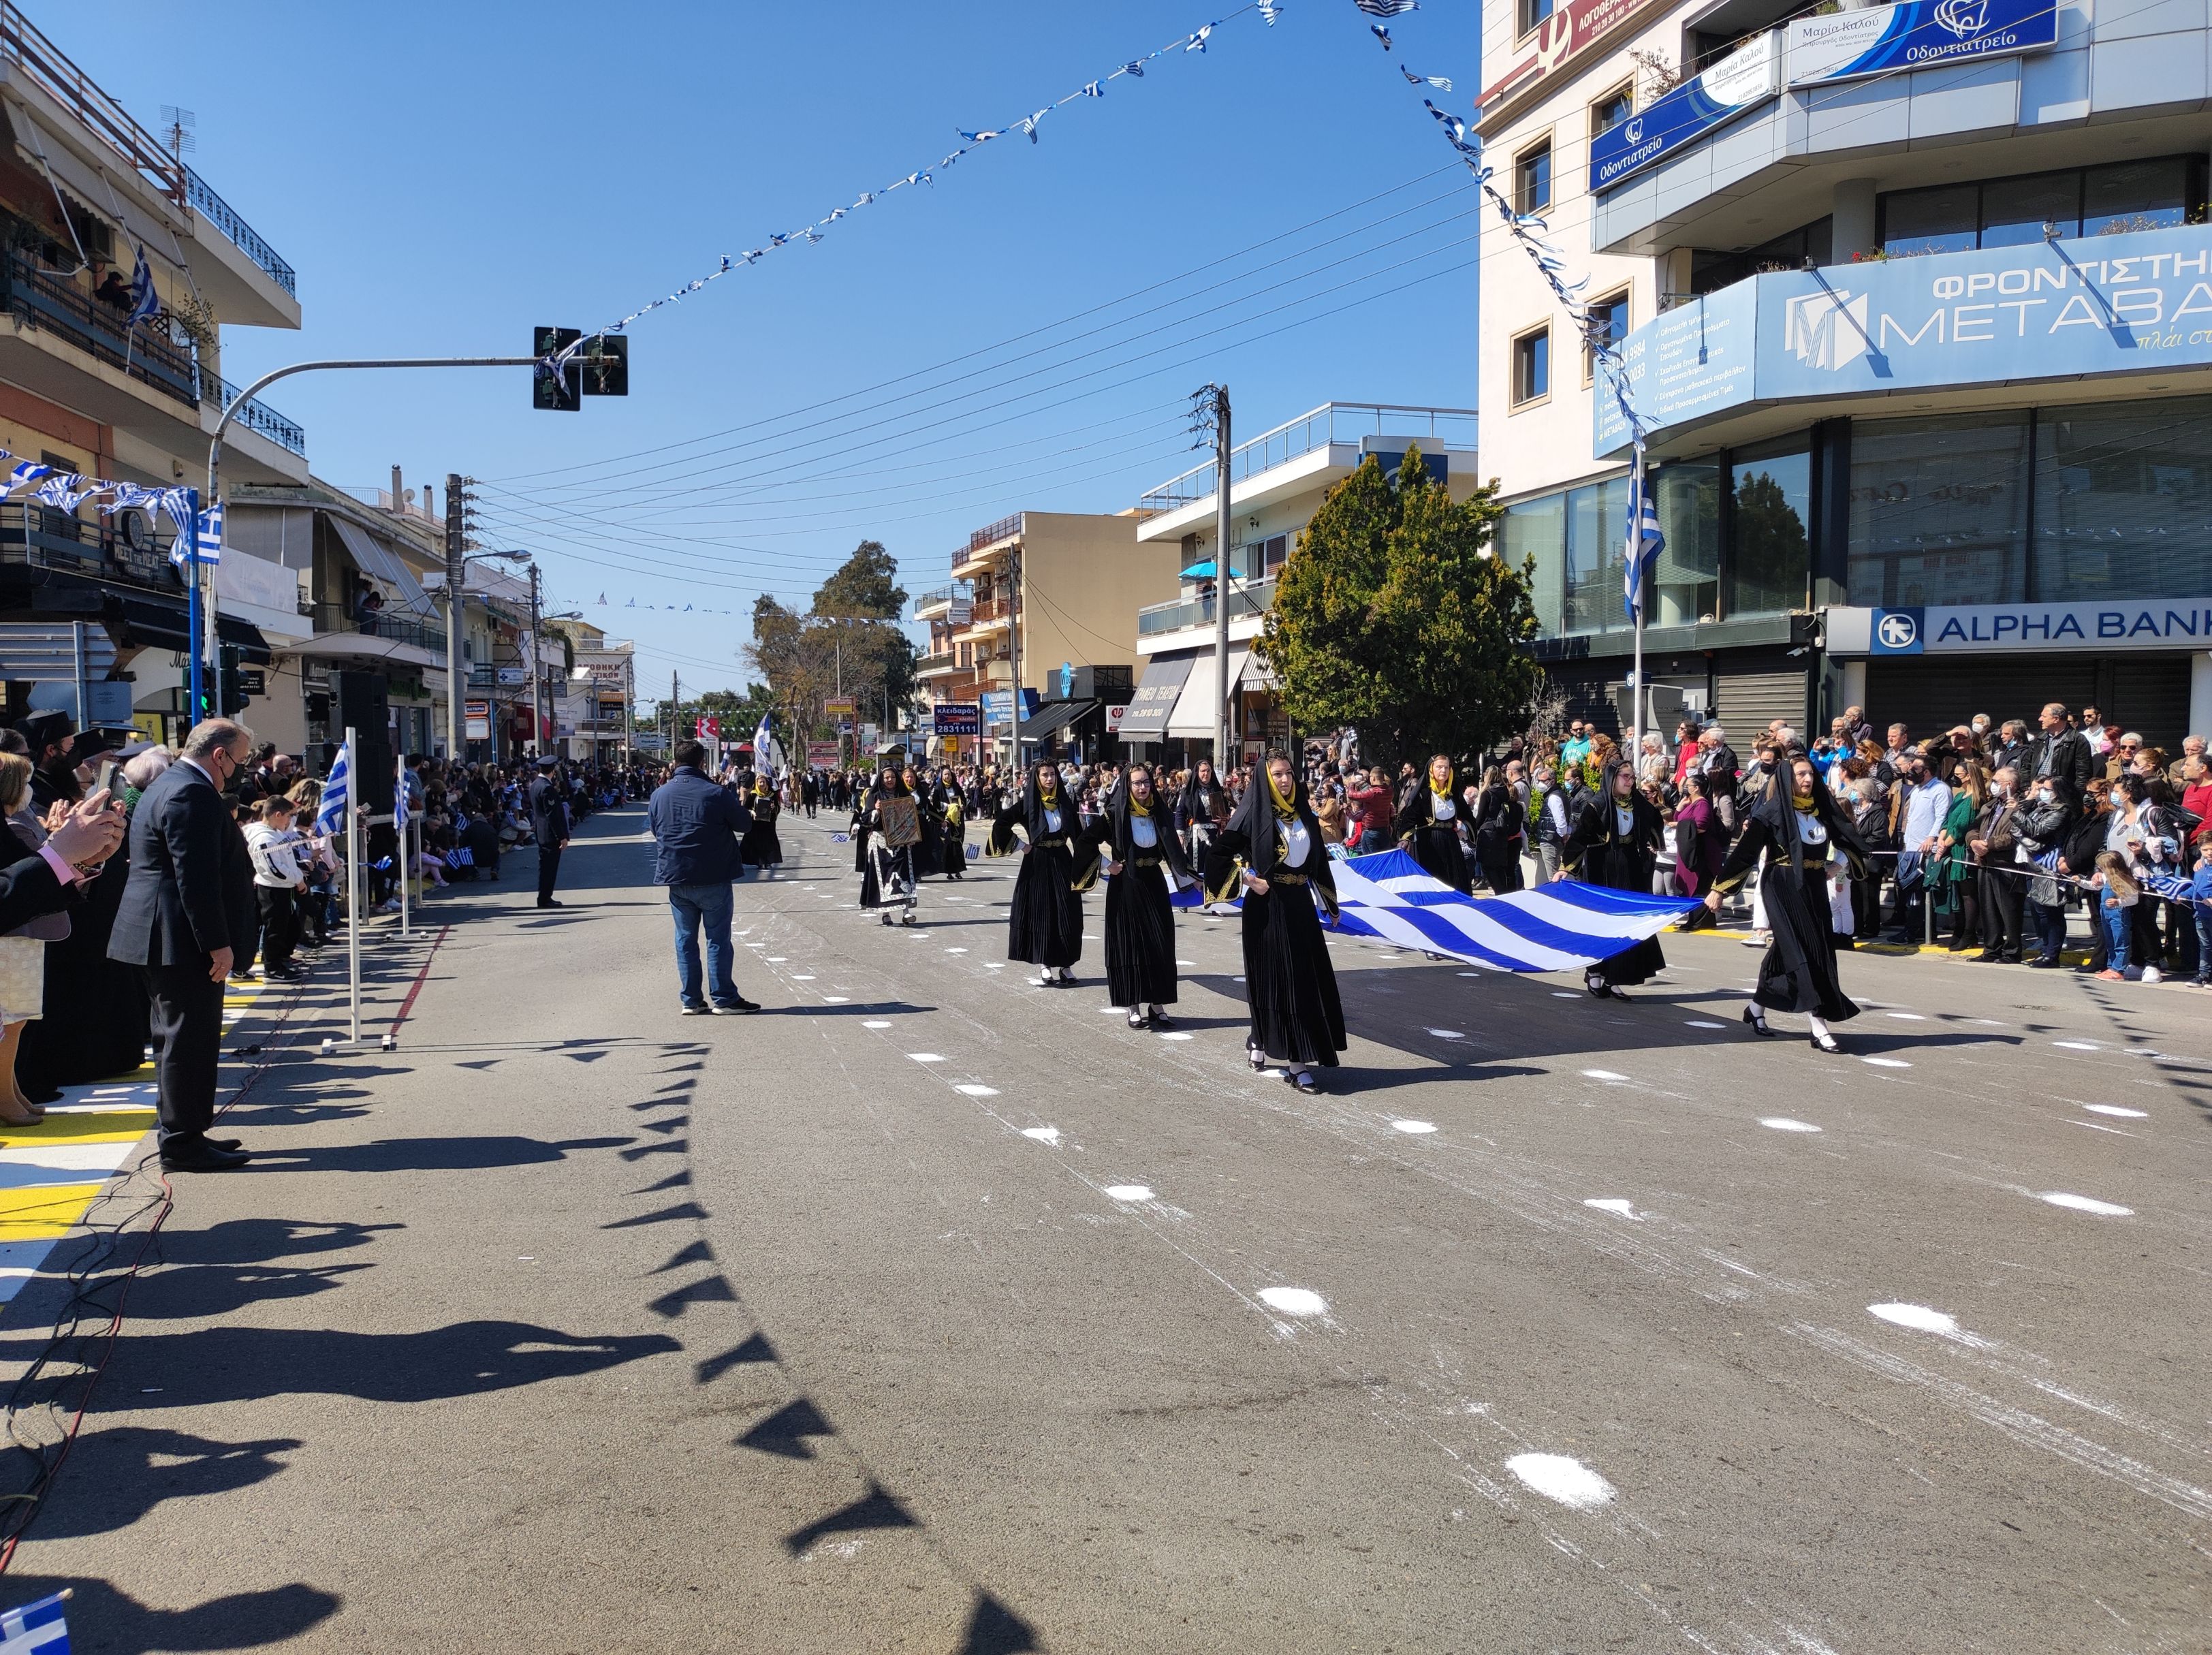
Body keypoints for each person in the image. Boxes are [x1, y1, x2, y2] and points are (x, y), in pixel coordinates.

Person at [106, 719, 257, 1173]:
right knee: (187, 1041)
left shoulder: (168, 783)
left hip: (165, 934)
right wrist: (218, 945)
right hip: (177, 938)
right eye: (240, 760)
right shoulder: (189, 792)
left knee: (179, 1040)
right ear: (218, 755)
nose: (240, 770)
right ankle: (182, 1143)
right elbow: (196, 879)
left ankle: (185, 1131)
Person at [1706, 752, 1869, 1053]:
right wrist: (1720, 889)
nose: (1807, 779)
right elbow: (1745, 853)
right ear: (1787, 779)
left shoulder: (1822, 810)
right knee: (1802, 951)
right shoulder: (1771, 813)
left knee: (1795, 951)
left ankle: (1755, 1008)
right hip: (1780, 885)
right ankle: (1818, 1026)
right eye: (1800, 775)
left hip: (1814, 886)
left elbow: (1849, 839)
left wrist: (1839, 863)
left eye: (1810, 774)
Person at [1206, 752, 1344, 1092]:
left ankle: (1258, 1038)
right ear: (1266, 779)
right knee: (1279, 980)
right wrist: (1248, 877)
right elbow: (1220, 854)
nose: (1285, 780)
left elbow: (1319, 865)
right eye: (1278, 775)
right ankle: (1297, 1065)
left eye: (1289, 773)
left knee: (1301, 980)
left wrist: (1330, 902)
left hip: (1300, 907)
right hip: (1267, 908)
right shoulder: (1254, 816)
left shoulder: (1306, 817)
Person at [648, 740, 758, 1015]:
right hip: (713, 874)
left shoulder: (659, 795)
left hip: (676, 876)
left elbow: (655, 829)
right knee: (718, 938)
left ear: (675, 762)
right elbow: (744, 824)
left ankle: (691, 1000)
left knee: (685, 939)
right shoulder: (716, 793)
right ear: (701, 763)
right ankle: (723, 998)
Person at [1081, 764, 1192, 1029]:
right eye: (1137, 784)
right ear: (1127, 786)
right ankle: (1133, 1006)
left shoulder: (1158, 812)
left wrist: (1193, 880)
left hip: (1153, 882)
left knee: (1159, 942)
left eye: (1146, 783)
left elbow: (1173, 851)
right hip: (1126, 884)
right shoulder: (1115, 814)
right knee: (1130, 943)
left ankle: (1157, 1004)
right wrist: (1108, 864)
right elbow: (1085, 840)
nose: (1142, 788)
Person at [1562, 757, 1666, 999]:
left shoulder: (1638, 803)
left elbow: (1654, 820)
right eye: (1625, 777)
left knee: (1626, 922)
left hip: (1630, 865)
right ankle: (1596, 972)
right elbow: (1580, 837)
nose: (1630, 782)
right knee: (1602, 922)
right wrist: (1566, 867)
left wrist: (1654, 843)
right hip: (1603, 866)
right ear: (1612, 779)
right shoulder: (1597, 805)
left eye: (1633, 777)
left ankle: (1615, 976)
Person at [990, 761, 1087, 986]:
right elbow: (1001, 824)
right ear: (1037, 778)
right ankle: (1045, 963)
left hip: (1063, 860)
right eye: (1045, 775)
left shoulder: (1065, 803)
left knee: (1068, 913)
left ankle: (1066, 965)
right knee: (1043, 913)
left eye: (1053, 774)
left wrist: (1093, 863)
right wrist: (1021, 845)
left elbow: (1080, 838)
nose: (1050, 779)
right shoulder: (1028, 805)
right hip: (1038, 862)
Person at [243, 797, 309, 981]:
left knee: (287, 927)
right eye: (288, 816)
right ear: (277, 815)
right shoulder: (264, 838)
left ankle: (278, 961)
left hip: (282, 887)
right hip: (273, 889)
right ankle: (272, 969)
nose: (289, 821)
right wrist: (298, 879)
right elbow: (275, 869)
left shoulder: (274, 833)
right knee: (275, 930)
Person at [1393, 754, 1474, 893]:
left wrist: (1465, 829)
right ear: (1431, 770)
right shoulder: (1423, 794)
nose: (1443, 770)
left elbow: (1468, 816)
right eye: (1439, 767)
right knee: (1434, 880)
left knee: (1455, 881)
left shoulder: (1453, 793)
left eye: (1446, 767)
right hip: (1429, 842)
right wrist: (1406, 838)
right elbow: (1410, 818)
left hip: (1451, 841)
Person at [861, 767, 923, 926]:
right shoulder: (874, 796)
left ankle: (906, 912)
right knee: (884, 879)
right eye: (887, 778)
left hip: (901, 841)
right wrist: (876, 810)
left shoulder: (904, 795)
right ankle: (886, 914)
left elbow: (910, 816)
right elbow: (866, 818)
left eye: (893, 778)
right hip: (881, 842)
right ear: (882, 780)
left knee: (904, 875)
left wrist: (911, 834)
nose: (890, 780)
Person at [1471, 764, 1524, 893]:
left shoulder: (1487, 793)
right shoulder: (1505, 792)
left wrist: (1472, 830)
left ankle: (1500, 892)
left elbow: (1481, 816)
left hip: (1488, 833)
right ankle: (1503, 892)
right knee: (1500, 867)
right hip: (1501, 833)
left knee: (1487, 866)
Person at [528, 755, 569, 909]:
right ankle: (545, 898)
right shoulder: (547, 788)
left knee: (545, 867)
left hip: (542, 832)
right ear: (553, 770)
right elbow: (552, 816)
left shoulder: (535, 785)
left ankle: (544, 896)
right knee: (549, 869)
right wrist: (562, 837)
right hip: (550, 834)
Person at [2091, 852, 2138, 981]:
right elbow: (2095, 887)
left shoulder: (2123, 879)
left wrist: (2119, 902)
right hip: (2106, 914)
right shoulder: (2106, 878)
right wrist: (2081, 882)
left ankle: (2119, 969)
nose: (2101, 869)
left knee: (2120, 941)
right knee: (2110, 941)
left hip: (2118, 914)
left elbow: (2134, 899)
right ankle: (2111, 967)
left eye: (2103, 866)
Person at [1176, 759, 1231, 868]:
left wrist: (1224, 818)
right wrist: (1180, 835)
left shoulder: (1217, 790)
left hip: (1215, 834)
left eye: (1208, 771)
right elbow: (1180, 813)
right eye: (1202, 771)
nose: (1206, 774)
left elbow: (1226, 811)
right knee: (1197, 867)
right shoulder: (1189, 792)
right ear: (1197, 772)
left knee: (1214, 866)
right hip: (1195, 835)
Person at [740, 772, 784, 879]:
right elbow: (746, 808)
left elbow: (777, 809)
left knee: (768, 843)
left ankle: (768, 862)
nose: (762, 784)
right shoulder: (753, 795)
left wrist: (773, 808)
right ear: (756, 783)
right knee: (756, 843)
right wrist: (752, 812)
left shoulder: (771, 795)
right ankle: (759, 862)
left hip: (768, 824)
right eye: (760, 782)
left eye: (763, 782)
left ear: (766, 783)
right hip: (756, 824)